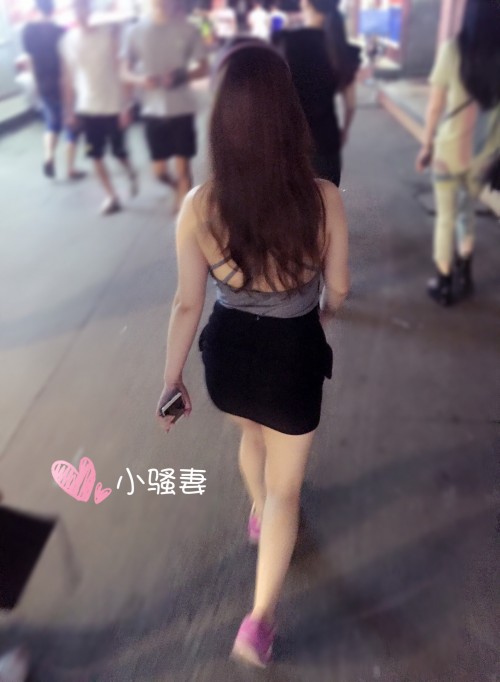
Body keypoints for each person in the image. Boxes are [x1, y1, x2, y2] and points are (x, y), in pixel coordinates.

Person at [156, 42, 349, 668]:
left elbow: (187, 303)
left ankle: (260, 514)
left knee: (252, 438)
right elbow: (339, 290)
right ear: (288, 113)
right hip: (293, 358)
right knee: (288, 487)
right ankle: (258, 621)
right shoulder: (323, 198)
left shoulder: (198, 206)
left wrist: (171, 381)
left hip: (229, 359)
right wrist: (318, 313)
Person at [415, 0, 500, 306]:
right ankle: (466, 274)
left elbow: (435, 107)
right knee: (467, 213)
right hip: (484, 156)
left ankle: (444, 283)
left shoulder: (453, 49)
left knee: (446, 218)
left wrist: (426, 145)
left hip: (449, 154)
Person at [121, 0, 208, 212]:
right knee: (158, 172)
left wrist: (182, 75)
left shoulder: (188, 29)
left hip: (182, 108)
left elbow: (204, 67)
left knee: (183, 170)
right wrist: (141, 80)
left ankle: (185, 214)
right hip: (151, 109)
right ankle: (179, 190)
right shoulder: (134, 31)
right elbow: (124, 71)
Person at [60, 0, 138, 215]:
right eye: (76, 8)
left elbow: (122, 70)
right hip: (87, 107)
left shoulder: (108, 36)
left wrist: (127, 105)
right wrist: (69, 111)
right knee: (95, 155)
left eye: (83, 7)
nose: (80, 12)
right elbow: (67, 77)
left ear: (90, 9)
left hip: (113, 105)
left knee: (119, 153)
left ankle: (130, 170)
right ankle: (111, 196)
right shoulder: (67, 41)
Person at [273, 0, 357, 186]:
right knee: (327, 200)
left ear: (306, 3)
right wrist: (345, 130)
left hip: (292, 140)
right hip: (327, 140)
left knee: (294, 201)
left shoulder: (287, 42)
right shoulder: (342, 48)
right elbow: (351, 104)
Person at [22, 0, 84, 180]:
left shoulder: (28, 31)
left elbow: (30, 60)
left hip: (43, 84)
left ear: (37, 9)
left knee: (52, 123)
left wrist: (35, 84)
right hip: (62, 83)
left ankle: (49, 157)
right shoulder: (60, 32)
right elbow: (68, 62)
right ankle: (70, 169)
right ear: (53, 9)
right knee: (71, 124)